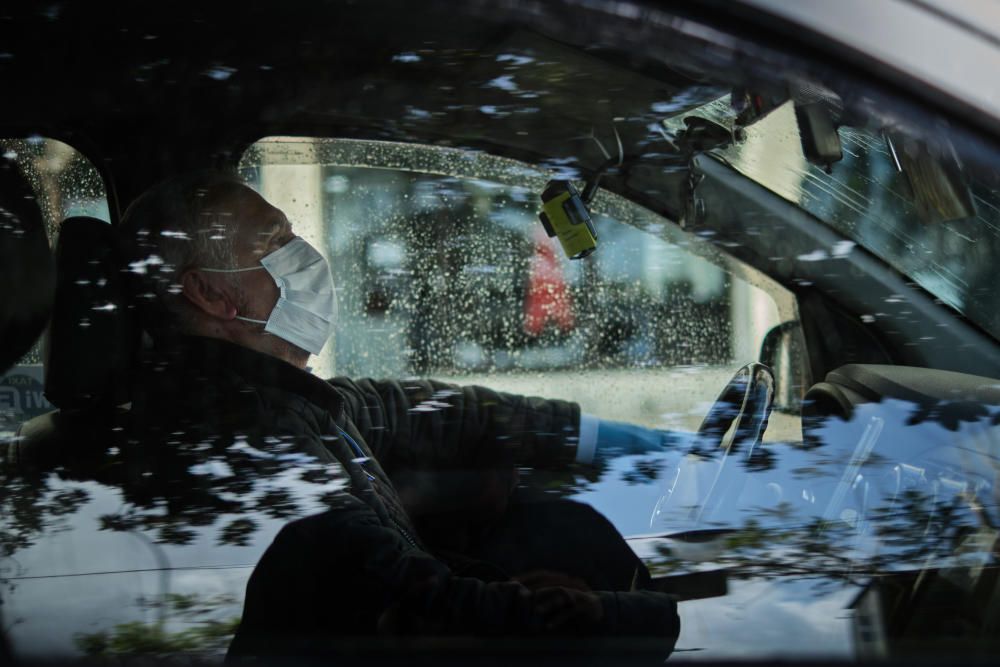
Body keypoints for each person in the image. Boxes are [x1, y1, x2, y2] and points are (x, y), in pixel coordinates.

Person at [115, 171, 681, 657]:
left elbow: (414, 410)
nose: (305, 255)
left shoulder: (285, 401)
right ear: (213, 296)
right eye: (275, 242)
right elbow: (423, 609)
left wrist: (608, 440)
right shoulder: (249, 437)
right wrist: (635, 618)